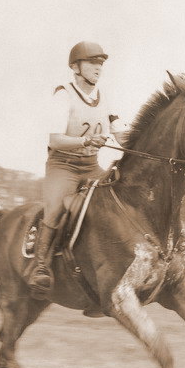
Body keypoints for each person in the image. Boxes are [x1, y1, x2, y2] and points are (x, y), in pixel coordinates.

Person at [29, 41, 129, 298]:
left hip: (92, 166)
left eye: (101, 64)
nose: (98, 68)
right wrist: (85, 141)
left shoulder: (105, 97)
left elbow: (120, 133)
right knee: (55, 210)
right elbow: (54, 140)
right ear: (75, 67)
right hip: (64, 166)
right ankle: (40, 266)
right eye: (92, 63)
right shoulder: (64, 95)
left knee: (117, 201)